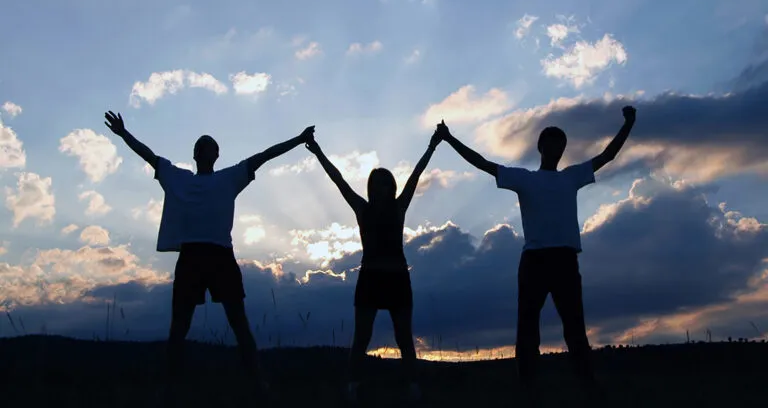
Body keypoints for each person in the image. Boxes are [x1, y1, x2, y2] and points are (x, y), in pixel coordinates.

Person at [103, 110, 315, 392]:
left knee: (238, 322)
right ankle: (172, 383)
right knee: (180, 325)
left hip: (220, 256)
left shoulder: (229, 178)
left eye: (211, 146)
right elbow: (148, 155)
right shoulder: (178, 178)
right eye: (202, 145)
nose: (206, 149)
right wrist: (123, 134)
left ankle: (256, 381)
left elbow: (266, 155)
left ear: (216, 154)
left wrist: (299, 139)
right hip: (191, 257)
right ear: (195, 153)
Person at [436, 106, 637, 403]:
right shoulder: (525, 179)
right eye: (551, 142)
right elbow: (483, 163)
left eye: (561, 143)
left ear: (563, 149)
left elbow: (608, 156)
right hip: (535, 261)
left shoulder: (571, 177)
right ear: (541, 147)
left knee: (574, 326)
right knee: (528, 327)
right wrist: (450, 139)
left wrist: (628, 123)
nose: (557, 147)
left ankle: (587, 384)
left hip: (565, 260)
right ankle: (528, 386)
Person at [304, 128, 442, 404]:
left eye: (385, 182)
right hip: (370, 278)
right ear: (371, 188)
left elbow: (416, 175)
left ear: (391, 186)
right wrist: (317, 151)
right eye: (376, 183)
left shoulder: (399, 206)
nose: (381, 187)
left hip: (397, 278)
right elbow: (338, 180)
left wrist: (432, 146)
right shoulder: (362, 208)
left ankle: (413, 388)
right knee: (361, 338)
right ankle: (353, 387)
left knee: (404, 338)